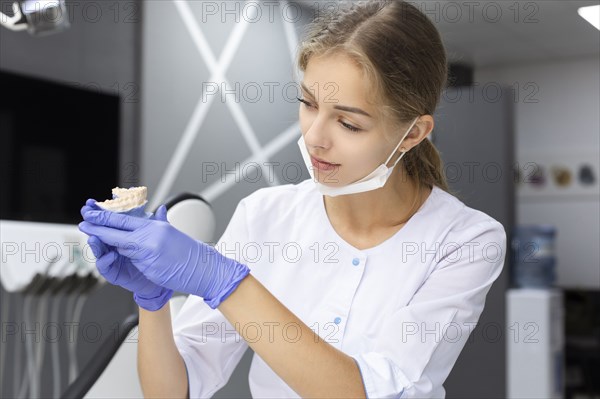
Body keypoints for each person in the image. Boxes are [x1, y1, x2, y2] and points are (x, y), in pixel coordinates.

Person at [78, 1, 507, 398]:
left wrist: (221, 282)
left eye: (349, 124)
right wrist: (152, 302)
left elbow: (370, 391)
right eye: (308, 103)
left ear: (412, 133)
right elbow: (175, 390)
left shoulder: (466, 241)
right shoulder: (266, 215)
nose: (315, 137)